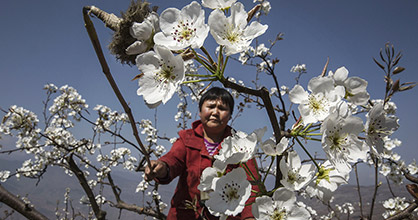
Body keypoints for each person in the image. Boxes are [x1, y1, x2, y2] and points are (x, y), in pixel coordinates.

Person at [145, 87, 258, 220]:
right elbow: (174, 158)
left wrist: (250, 216)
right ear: (200, 111)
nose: (215, 112)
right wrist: (162, 167)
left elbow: (252, 182)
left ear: (230, 115)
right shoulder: (187, 138)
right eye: (210, 106)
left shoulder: (240, 145)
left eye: (222, 108)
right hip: (186, 214)